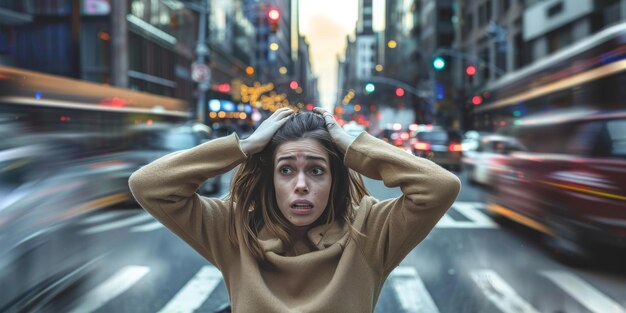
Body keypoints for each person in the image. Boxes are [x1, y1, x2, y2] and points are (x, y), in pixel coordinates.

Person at [129, 107, 460, 312]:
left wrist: (352, 147)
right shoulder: (234, 231)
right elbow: (149, 185)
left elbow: (439, 187)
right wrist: (244, 146)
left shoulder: (369, 231)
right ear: (271, 177)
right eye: (286, 169)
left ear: (334, 178)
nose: (301, 184)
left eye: (316, 170)